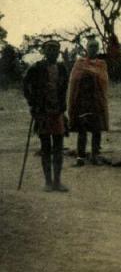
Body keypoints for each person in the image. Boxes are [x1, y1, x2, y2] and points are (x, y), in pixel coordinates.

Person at [23, 40, 70, 192]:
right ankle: (48, 182)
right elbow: (25, 84)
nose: (53, 52)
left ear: (58, 52)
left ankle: (57, 181)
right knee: (45, 147)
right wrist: (32, 103)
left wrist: (63, 107)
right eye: (49, 49)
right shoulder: (36, 68)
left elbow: (64, 88)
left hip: (57, 112)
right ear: (44, 51)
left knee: (58, 147)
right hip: (42, 112)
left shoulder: (62, 68)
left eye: (55, 50)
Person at [67, 36, 110, 166]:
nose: (93, 49)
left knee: (96, 130)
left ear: (98, 49)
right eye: (91, 47)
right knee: (82, 130)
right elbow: (74, 81)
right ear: (86, 48)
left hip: (96, 101)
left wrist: (94, 75)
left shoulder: (101, 64)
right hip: (83, 102)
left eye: (95, 47)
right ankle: (80, 156)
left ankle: (95, 155)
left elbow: (104, 81)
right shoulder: (79, 63)